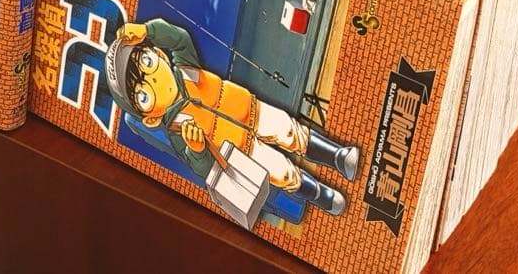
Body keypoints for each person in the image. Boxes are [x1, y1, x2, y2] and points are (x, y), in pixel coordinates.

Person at [106, 17, 359, 217]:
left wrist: (148, 31)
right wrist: (197, 149)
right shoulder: (176, 131)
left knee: (291, 132)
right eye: (143, 96)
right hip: (244, 151)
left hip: (253, 110)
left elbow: (180, 39)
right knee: (284, 174)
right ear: (150, 119)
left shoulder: (185, 68)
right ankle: (322, 196)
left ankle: (338, 156)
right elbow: (202, 167)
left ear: (159, 55)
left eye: (147, 61)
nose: (155, 80)